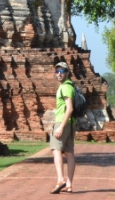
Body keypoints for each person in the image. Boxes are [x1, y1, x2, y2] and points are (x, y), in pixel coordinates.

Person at [50, 61, 76, 194]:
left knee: (56, 150)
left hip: (62, 122)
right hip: (70, 123)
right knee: (69, 153)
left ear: (67, 73)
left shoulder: (65, 87)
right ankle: (69, 184)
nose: (59, 74)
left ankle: (60, 180)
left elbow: (69, 108)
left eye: (62, 71)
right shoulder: (69, 86)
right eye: (57, 71)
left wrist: (60, 127)